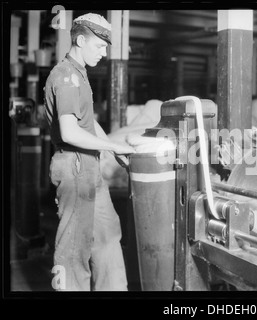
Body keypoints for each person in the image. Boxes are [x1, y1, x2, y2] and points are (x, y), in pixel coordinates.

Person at [44, 13, 135, 291]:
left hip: (90, 168)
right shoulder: (66, 76)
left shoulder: (80, 74)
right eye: (100, 46)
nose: (105, 53)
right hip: (74, 168)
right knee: (74, 249)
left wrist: (111, 151)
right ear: (81, 40)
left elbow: (88, 121)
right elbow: (70, 132)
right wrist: (114, 146)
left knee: (108, 237)